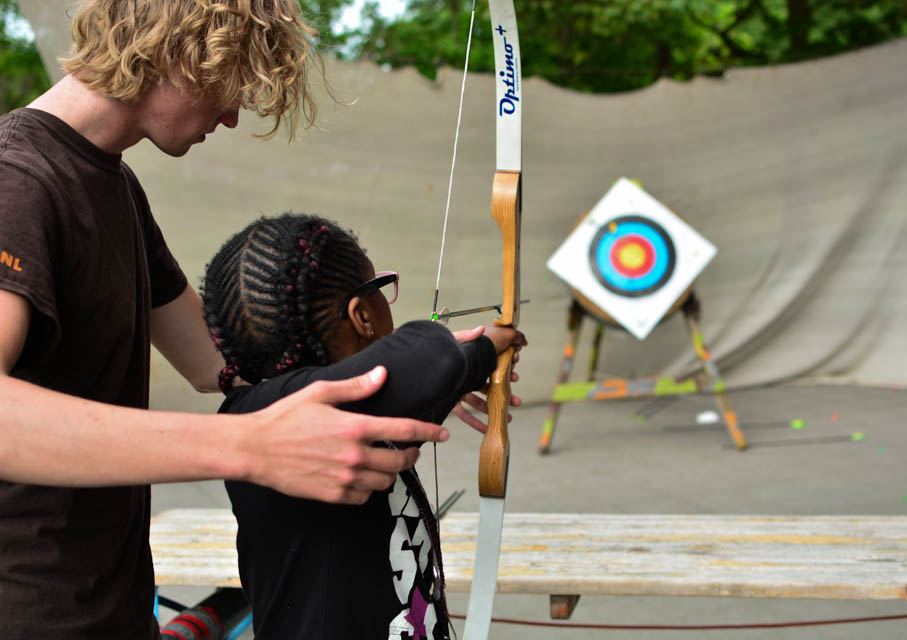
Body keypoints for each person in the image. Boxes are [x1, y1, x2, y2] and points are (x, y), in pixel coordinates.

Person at [0, 1, 510, 637]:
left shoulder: (113, 184)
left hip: (109, 599)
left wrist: (412, 371)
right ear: (179, 51)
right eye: (228, 82)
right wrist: (249, 445)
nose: (233, 114)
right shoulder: (17, 181)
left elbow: (223, 360)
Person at [200, 213, 525, 639]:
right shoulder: (257, 416)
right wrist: (484, 348)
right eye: (379, 289)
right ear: (362, 317)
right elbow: (429, 362)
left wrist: (450, 381)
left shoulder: (353, 406)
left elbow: (410, 378)